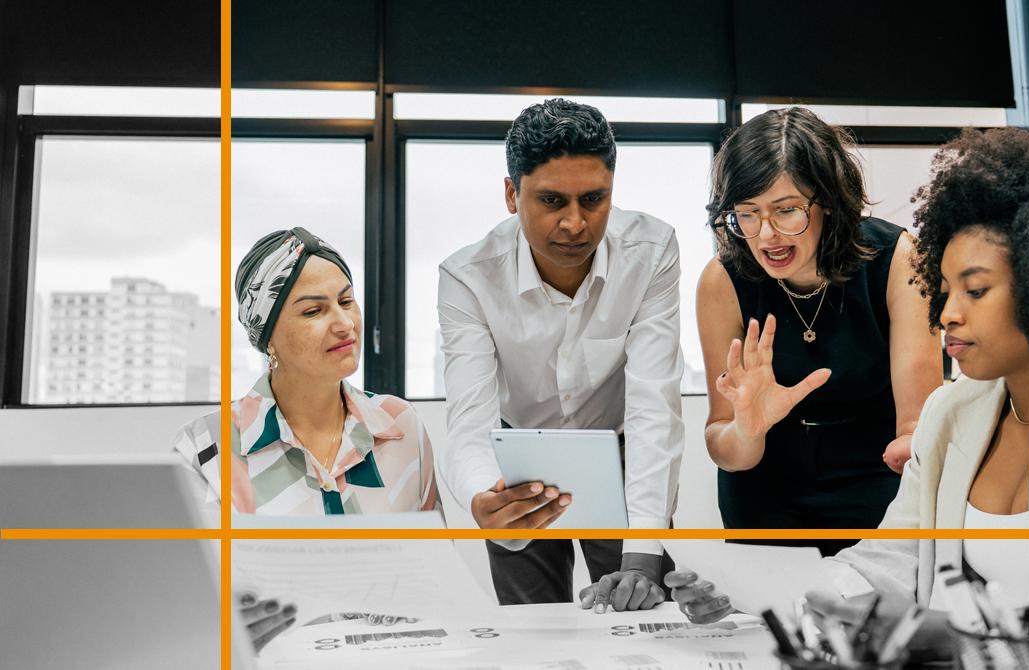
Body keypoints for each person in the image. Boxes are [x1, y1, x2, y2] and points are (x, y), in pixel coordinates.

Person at [669, 127, 1029, 668]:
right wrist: (762, 602)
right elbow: (888, 563)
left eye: (974, 290)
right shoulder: (958, 409)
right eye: (944, 290)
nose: (945, 315)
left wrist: (974, 640)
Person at [437, 98, 684, 610]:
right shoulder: (467, 277)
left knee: (642, 622)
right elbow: (468, 419)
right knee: (533, 633)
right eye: (551, 201)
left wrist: (643, 551)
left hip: (619, 454)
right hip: (518, 466)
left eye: (593, 199)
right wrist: (486, 496)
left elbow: (653, 407)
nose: (575, 224)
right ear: (511, 194)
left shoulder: (653, 251)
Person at [695, 107, 943, 553]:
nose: (766, 235)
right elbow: (723, 443)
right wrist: (749, 428)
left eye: (786, 211)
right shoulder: (722, 280)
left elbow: (914, 425)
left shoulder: (896, 260)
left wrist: (912, 446)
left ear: (828, 200)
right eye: (747, 214)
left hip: (875, 477)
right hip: (764, 489)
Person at [174, 227, 440, 516]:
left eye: (346, 302)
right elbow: (195, 561)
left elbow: (436, 557)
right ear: (268, 337)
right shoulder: (205, 448)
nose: (345, 324)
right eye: (314, 311)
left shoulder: (400, 425)